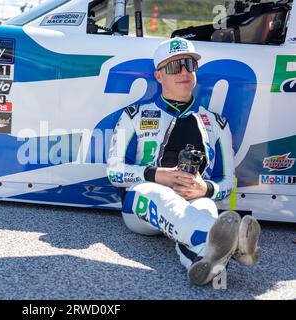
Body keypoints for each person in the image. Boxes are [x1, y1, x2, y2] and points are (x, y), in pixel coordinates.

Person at [107, 37, 262, 286]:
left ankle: (205, 262)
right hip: (142, 204)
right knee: (160, 195)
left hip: (195, 200)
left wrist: (206, 188)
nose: (183, 72)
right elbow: (114, 172)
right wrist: (158, 175)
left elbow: (228, 182)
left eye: (189, 64)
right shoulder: (133, 115)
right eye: (173, 66)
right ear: (159, 76)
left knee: (207, 209)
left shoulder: (217, 123)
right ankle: (234, 247)